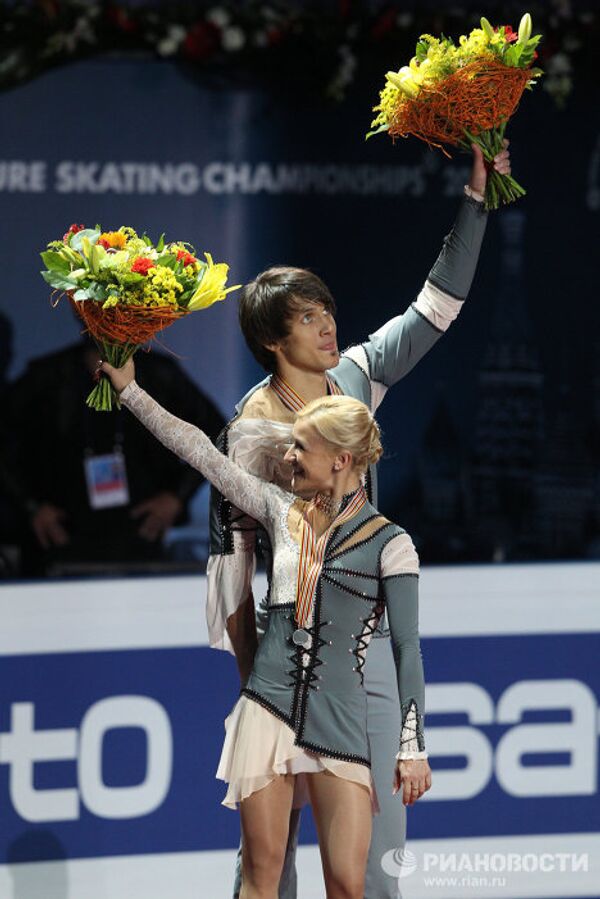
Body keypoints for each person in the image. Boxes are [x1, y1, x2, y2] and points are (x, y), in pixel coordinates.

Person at [207, 144, 511, 897]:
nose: (327, 326)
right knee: (267, 865)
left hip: (361, 648)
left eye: (327, 311)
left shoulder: (357, 378)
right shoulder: (248, 430)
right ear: (274, 339)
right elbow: (234, 574)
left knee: (374, 860)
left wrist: (475, 199)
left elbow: (434, 310)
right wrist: (254, 682)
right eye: (308, 317)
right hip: (281, 660)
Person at [100, 355, 431, 899]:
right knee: (262, 879)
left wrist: (412, 746)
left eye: (302, 446)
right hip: (268, 709)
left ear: (341, 459)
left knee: (349, 886)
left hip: (341, 722)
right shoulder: (278, 511)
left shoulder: (392, 544)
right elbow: (200, 451)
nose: (287, 456)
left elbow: (407, 648)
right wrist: (132, 391)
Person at [9, 335, 225, 575]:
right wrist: (31, 505)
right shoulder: (49, 375)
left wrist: (176, 496)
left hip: (142, 531)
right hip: (63, 534)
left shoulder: (158, 374)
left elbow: (217, 433)